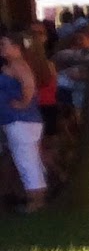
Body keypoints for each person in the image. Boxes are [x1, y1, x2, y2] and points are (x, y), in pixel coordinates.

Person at [0, 29, 46, 212]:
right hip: (19, 120)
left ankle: (36, 200)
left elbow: (28, 84)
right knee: (29, 159)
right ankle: (34, 196)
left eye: (4, 44)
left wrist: (22, 103)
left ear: (16, 46)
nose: (1, 48)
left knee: (27, 160)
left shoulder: (18, 64)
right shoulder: (14, 64)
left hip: (20, 120)